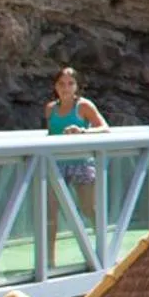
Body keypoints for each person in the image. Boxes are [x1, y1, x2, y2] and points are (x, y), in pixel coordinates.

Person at [44, 67, 109, 233]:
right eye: (61, 84)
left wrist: (83, 131)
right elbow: (51, 135)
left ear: (76, 86)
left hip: (82, 162)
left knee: (88, 209)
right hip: (56, 164)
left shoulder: (84, 106)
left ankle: (103, 249)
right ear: (55, 86)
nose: (65, 88)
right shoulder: (50, 108)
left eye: (70, 84)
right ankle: (49, 259)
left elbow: (104, 128)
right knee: (50, 214)